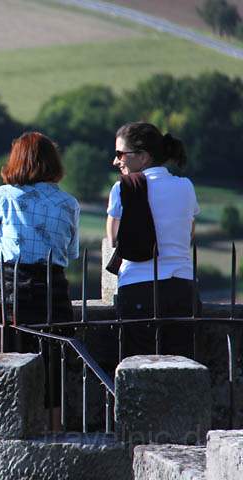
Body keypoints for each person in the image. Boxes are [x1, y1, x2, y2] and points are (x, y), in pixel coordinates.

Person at [0, 131, 79, 429]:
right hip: (52, 288)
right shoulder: (68, 203)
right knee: (53, 361)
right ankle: (54, 431)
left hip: (11, 288)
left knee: (6, 356)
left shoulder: (4, 195)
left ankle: (5, 425)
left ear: (17, 160)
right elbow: (70, 252)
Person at [106, 122, 199, 357]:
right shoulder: (186, 186)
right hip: (182, 285)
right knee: (182, 366)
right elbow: (189, 233)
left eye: (120, 154)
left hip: (138, 286)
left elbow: (113, 238)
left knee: (138, 366)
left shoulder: (122, 188)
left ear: (144, 157)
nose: (116, 161)